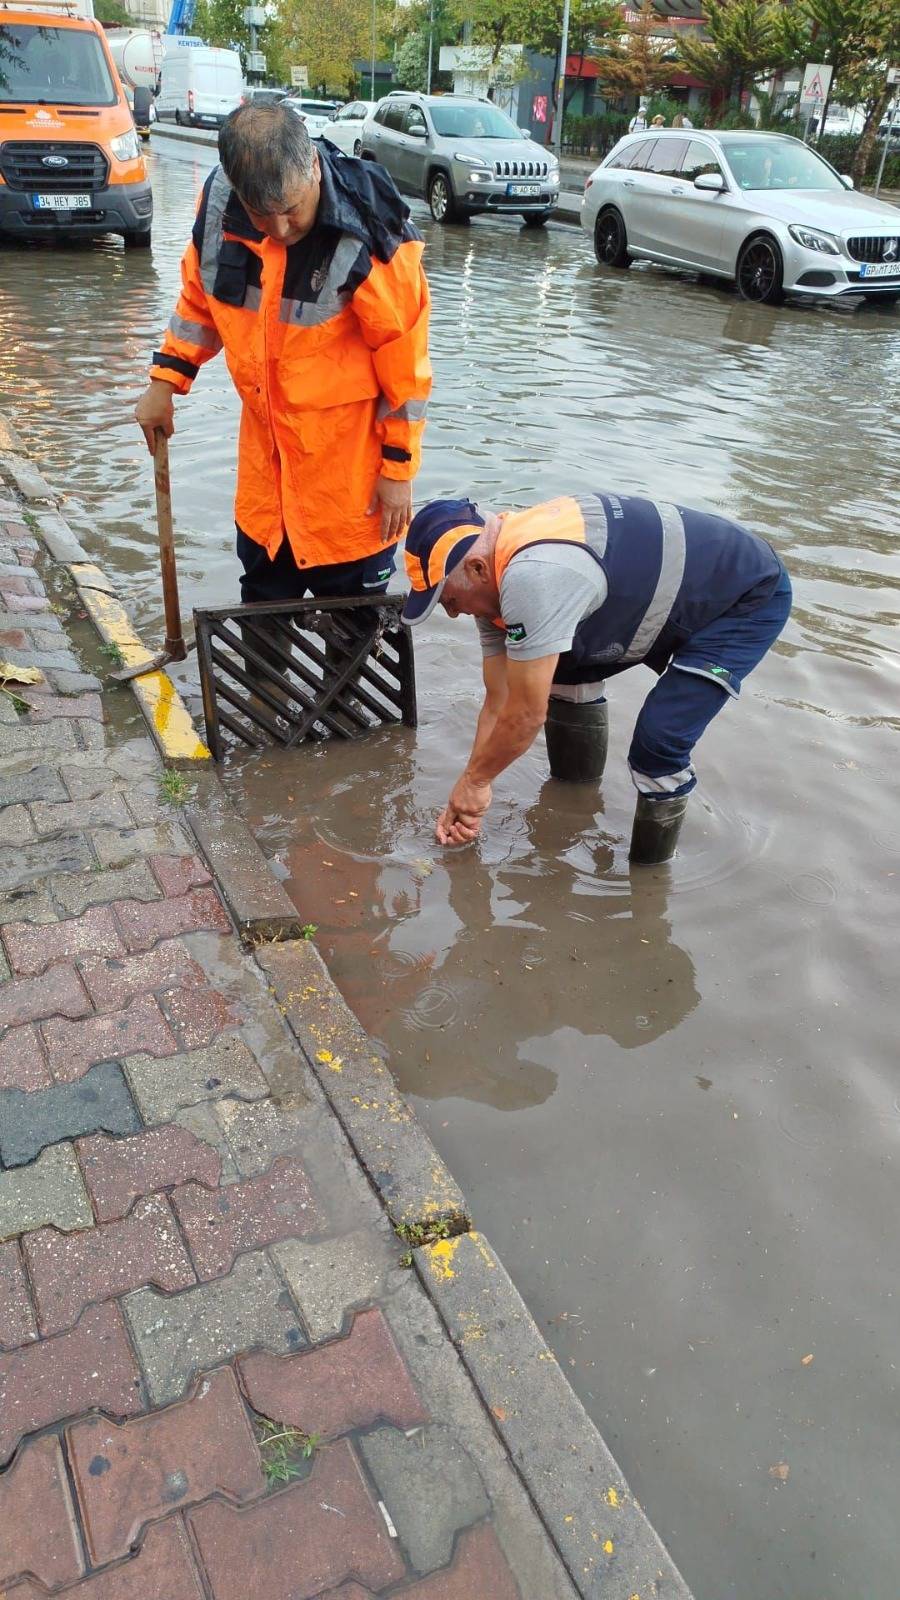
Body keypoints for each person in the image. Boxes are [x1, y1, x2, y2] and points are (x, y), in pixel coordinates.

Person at [134, 103, 432, 606]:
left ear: (313, 167)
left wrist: (397, 473)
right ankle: (260, 691)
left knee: (350, 647)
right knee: (263, 629)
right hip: (266, 488)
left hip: (350, 489)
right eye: (260, 214)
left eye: (293, 210)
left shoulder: (371, 232)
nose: (279, 229)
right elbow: (200, 303)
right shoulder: (220, 208)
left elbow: (407, 371)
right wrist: (164, 382)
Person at [400, 492, 792, 863]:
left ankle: (648, 881)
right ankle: (575, 804)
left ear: (477, 567)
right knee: (560, 672)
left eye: (449, 600)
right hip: (657, 593)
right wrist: (470, 788)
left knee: (659, 744)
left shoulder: (533, 577)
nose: (452, 614)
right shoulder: (493, 587)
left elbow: (524, 715)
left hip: (742, 597)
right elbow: (499, 700)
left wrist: (475, 782)